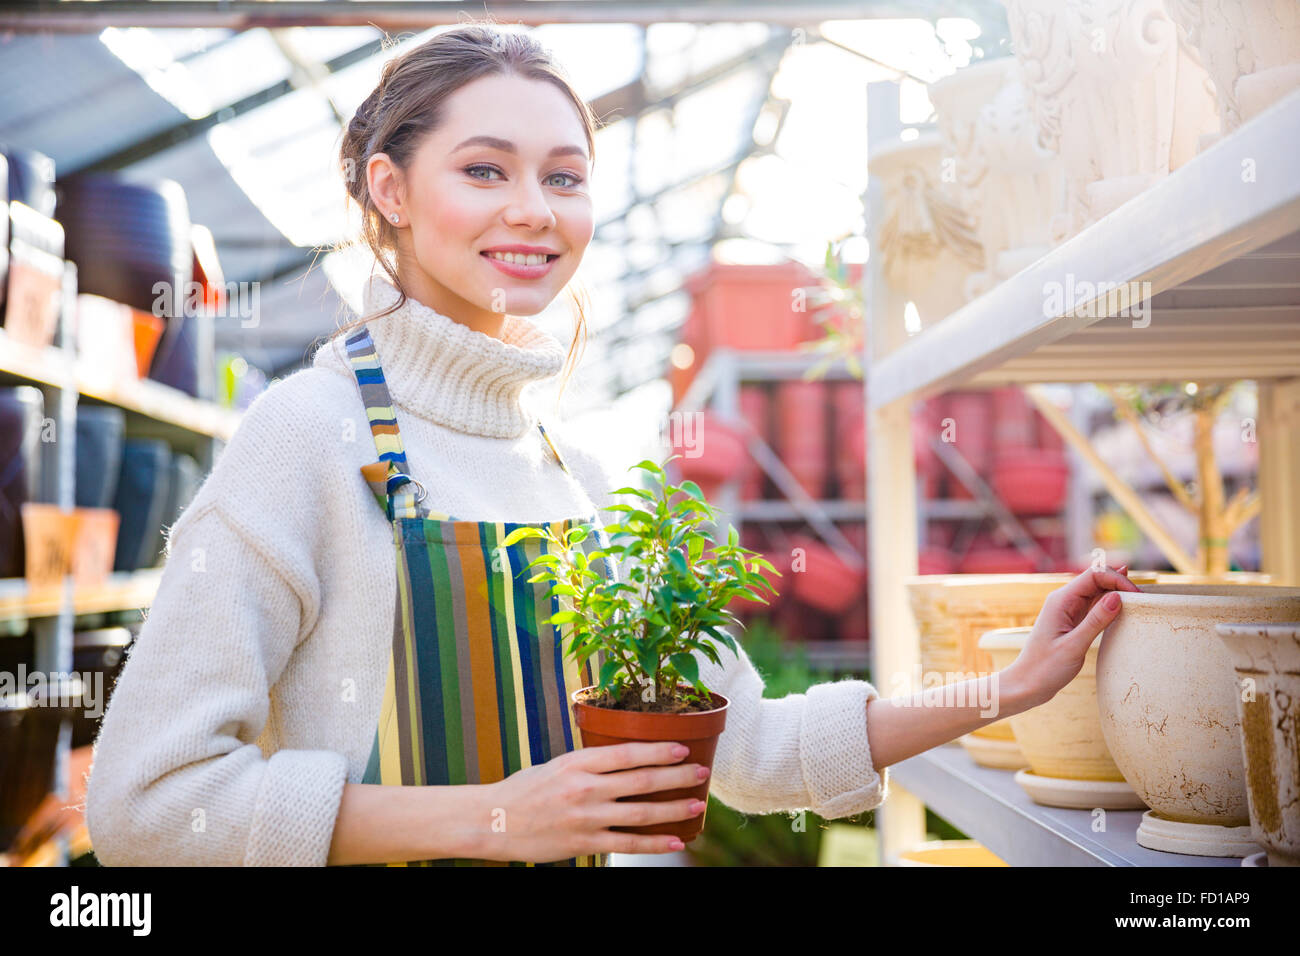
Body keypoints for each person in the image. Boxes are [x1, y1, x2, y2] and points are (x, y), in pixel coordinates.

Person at [84, 22, 1141, 867]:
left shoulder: (578, 481)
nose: (533, 212)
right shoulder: (306, 439)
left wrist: (997, 687)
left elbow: (750, 744)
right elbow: (145, 801)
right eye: (485, 171)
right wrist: (489, 816)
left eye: (564, 175)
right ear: (389, 191)